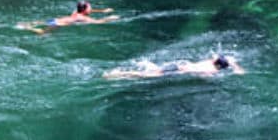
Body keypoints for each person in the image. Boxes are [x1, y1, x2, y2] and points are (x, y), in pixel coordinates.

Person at [103, 54, 245, 79]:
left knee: (155, 70)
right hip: (179, 69)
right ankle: (117, 74)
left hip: (178, 64)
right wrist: (237, 70)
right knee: (146, 76)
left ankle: (121, 73)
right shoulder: (212, 70)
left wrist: (236, 66)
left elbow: (228, 59)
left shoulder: (209, 62)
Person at [17, 0, 119, 35]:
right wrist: (110, 18)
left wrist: (103, 10)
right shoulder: (83, 18)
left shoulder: (76, 12)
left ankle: (26, 24)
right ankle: (29, 28)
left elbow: (90, 11)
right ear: (84, 10)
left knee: (40, 23)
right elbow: (97, 22)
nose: (91, 8)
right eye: (89, 7)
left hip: (54, 20)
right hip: (57, 24)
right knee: (43, 33)